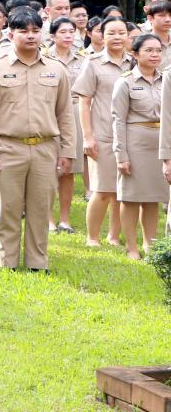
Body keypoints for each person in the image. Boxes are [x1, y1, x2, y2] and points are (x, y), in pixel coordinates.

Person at [0, 8, 74, 272]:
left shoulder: (57, 70)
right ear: (11, 34)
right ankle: (7, 262)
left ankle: (37, 263)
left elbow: (66, 114)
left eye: (35, 30)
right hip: (8, 147)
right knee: (7, 209)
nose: (30, 36)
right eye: (23, 31)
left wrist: (68, 152)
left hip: (45, 149)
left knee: (41, 209)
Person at [73, 16, 132, 247]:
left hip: (130, 136)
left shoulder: (134, 62)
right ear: (101, 36)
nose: (117, 37)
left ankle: (114, 236)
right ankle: (92, 237)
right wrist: (88, 137)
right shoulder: (93, 63)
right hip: (103, 134)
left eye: (121, 33)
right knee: (102, 189)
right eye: (111, 33)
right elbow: (84, 102)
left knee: (122, 190)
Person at [113, 34, 164, 259]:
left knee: (153, 197)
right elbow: (118, 120)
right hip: (135, 143)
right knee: (131, 197)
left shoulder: (166, 80)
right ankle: (131, 246)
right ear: (135, 54)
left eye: (158, 50)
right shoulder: (125, 81)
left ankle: (149, 245)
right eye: (149, 50)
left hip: (160, 143)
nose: (155, 55)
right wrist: (121, 154)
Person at [46, 17, 86, 234]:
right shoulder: (44, 57)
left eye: (72, 32)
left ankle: (64, 218)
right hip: (49, 113)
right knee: (48, 168)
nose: (68, 36)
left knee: (68, 168)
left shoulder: (83, 59)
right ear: (53, 35)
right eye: (63, 32)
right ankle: (49, 218)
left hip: (74, 112)